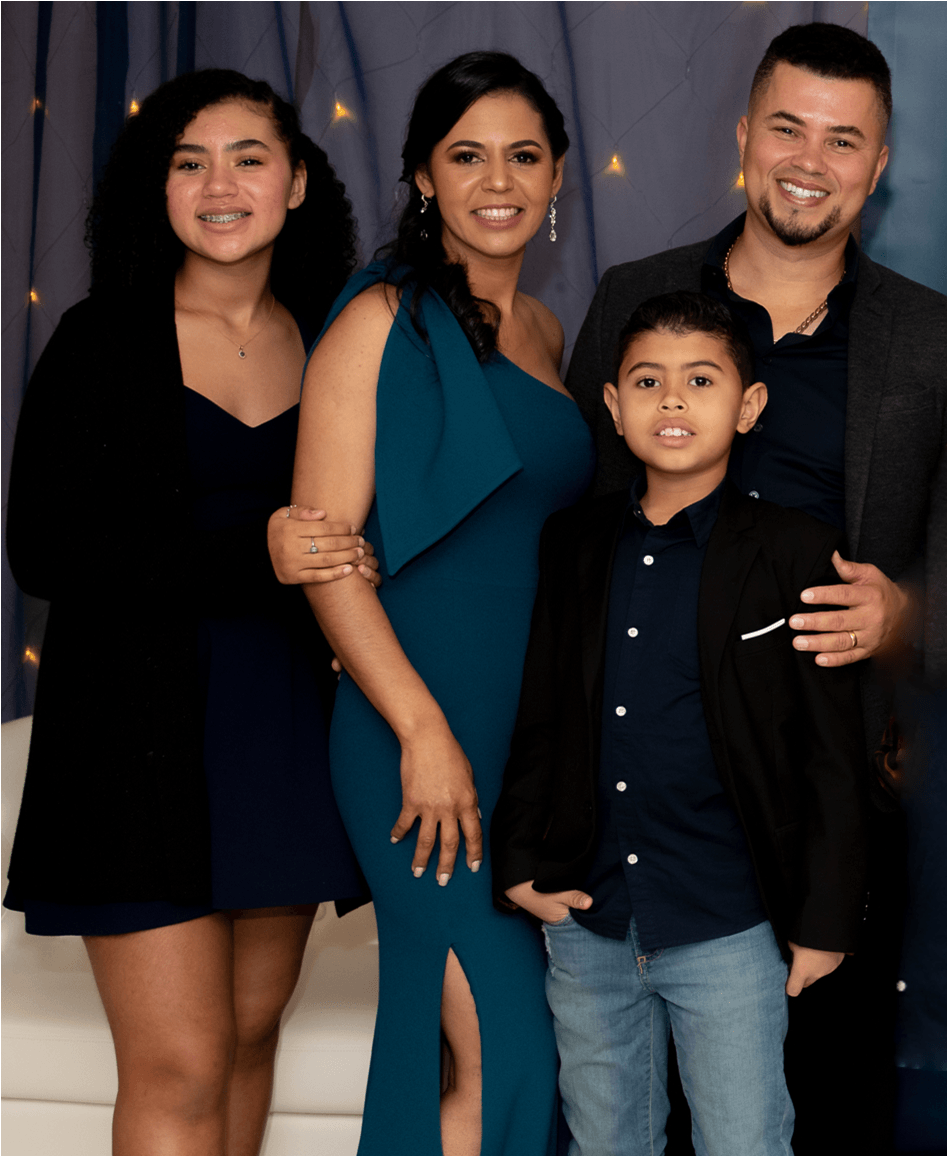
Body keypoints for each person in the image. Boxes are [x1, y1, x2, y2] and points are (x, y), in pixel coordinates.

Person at [564, 23, 945, 1153]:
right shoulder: (636, 298)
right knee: (635, 1109)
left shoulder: (928, 340)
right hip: (648, 785)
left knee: (823, 1101)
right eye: (787, 126)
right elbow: (578, 530)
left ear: (878, 167)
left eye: (843, 140)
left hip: (831, 784)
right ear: (743, 136)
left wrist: (908, 611)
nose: (808, 159)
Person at [4, 69, 379, 1157]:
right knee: (181, 1063)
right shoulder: (100, 337)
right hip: (131, 738)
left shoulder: (336, 337)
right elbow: (42, 548)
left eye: (249, 157)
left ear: (298, 182)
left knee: (251, 1042)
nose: (220, 184)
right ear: (157, 189)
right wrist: (246, 550)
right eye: (188, 161)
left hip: (283, 731)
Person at [285, 51, 594, 1157]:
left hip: (528, 745)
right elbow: (324, 554)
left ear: (558, 176)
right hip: (412, 736)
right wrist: (421, 730)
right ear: (422, 176)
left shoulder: (550, 336)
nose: (497, 178)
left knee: (493, 1050)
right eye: (466, 154)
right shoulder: (380, 321)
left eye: (523, 154)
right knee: (509, 1047)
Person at [491, 291, 869, 1156]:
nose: (671, 400)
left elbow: (829, 757)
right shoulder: (572, 543)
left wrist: (826, 919)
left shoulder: (798, 551)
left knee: (744, 1137)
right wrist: (518, 861)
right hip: (590, 919)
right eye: (648, 381)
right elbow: (543, 712)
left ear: (748, 405)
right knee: (607, 1137)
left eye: (700, 380)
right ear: (613, 404)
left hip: (729, 922)